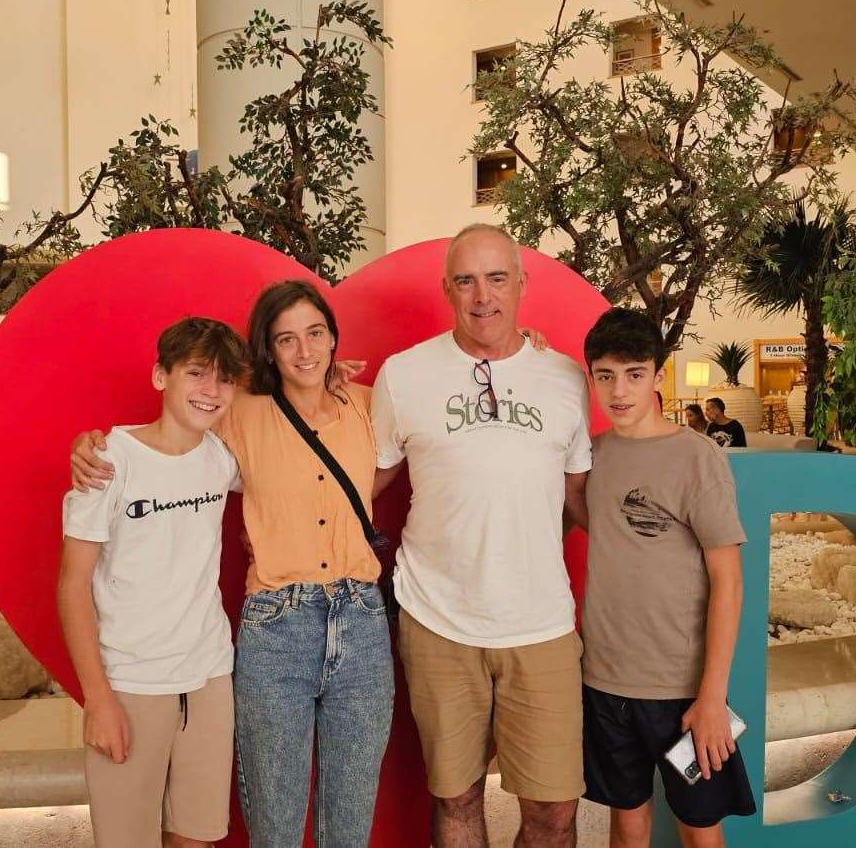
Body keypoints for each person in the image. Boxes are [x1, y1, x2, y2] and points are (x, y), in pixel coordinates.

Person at [71, 281, 398, 847]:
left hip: (360, 618)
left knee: (350, 813)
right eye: (287, 339)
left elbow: (420, 438)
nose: (304, 350)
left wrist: (526, 344)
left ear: (333, 338)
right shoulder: (237, 415)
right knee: (274, 816)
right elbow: (176, 423)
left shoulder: (368, 404)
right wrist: (87, 444)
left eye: (315, 334)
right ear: (269, 351)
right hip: (278, 622)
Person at [371, 222, 592, 847]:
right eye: (466, 281)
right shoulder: (403, 374)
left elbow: (578, 495)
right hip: (438, 619)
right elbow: (366, 479)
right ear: (446, 289)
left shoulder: (566, 377)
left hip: (542, 624)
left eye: (497, 278)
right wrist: (278, 516)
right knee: (457, 799)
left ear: (521, 285)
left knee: (554, 813)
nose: (482, 296)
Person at [58, 317, 247, 848]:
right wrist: (98, 701)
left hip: (209, 677)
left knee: (197, 836)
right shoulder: (108, 462)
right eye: (196, 374)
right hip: (130, 683)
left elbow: (292, 436)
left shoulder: (222, 458)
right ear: (161, 376)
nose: (211, 391)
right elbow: (72, 586)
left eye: (225, 379)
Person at [578, 309, 755, 848]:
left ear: (658, 376)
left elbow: (729, 581)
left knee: (699, 828)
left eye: (634, 374)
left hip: (682, 691)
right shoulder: (591, 457)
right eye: (605, 375)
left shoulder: (696, 458)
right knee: (626, 820)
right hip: (604, 682)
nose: (619, 390)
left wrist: (712, 697)